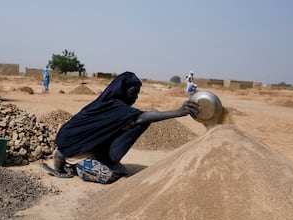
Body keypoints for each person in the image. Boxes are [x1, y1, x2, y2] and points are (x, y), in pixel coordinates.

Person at [53, 71, 199, 184]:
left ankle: (76, 158)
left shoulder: (110, 104)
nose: (135, 97)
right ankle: (74, 163)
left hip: (79, 145)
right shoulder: (114, 106)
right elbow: (141, 117)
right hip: (73, 149)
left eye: (137, 93)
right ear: (122, 89)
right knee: (110, 176)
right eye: (133, 91)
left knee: (121, 164)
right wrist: (178, 112)